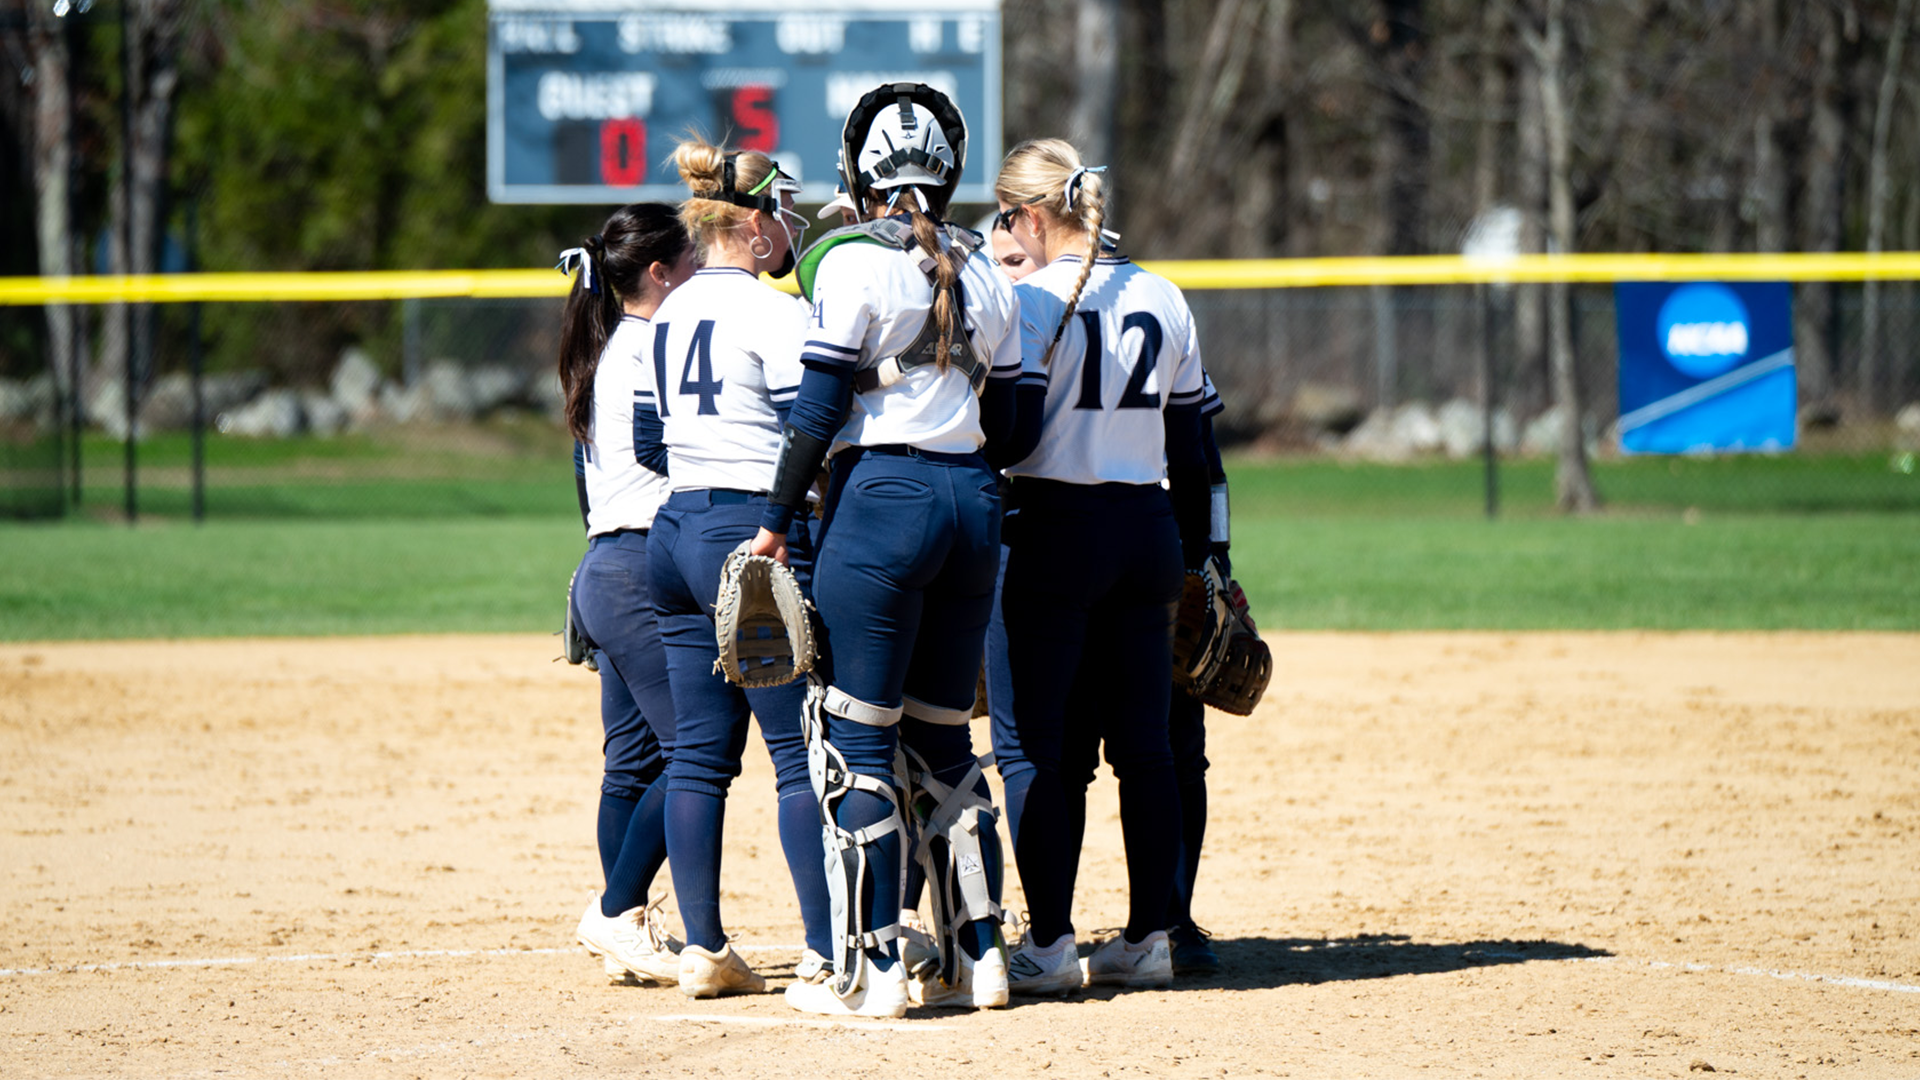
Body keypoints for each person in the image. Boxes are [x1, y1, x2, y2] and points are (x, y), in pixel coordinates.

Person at [754, 82, 1022, 1017]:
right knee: (947, 740)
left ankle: (871, 970)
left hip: (884, 502)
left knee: (855, 742)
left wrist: (775, 520)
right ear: (948, 172)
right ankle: (979, 957)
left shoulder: (847, 261)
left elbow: (821, 408)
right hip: (973, 502)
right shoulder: (986, 268)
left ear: (857, 173)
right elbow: (1015, 420)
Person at [986, 138, 1214, 994]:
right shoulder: (1161, 292)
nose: (1008, 231)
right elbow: (1190, 450)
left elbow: (1002, 436)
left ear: (1035, 216)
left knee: (1035, 749)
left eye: (1010, 217)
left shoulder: (1026, 301)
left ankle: (1048, 944)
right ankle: (1150, 937)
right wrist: (1199, 561)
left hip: (1050, 526)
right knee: (1147, 749)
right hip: (1146, 528)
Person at [642, 136, 833, 998]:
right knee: (796, 753)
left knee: (696, 757)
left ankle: (704, 947)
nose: (789, 222)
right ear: (752, 224)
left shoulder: (668, 307)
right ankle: (827, 947)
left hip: (674, 526)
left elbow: (650, 439)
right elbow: (809, 435)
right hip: (749, 529)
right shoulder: (773, 310)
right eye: (782, 208)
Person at [554, 204, 697, 986]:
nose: (699, 271)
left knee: (633, 762)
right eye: (690, 260)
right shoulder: (653, 346)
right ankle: (617, 908)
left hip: (607, 566)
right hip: (643, 568)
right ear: (659, 273)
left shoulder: (611, 348)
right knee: (696, 751)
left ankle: (626, 928)